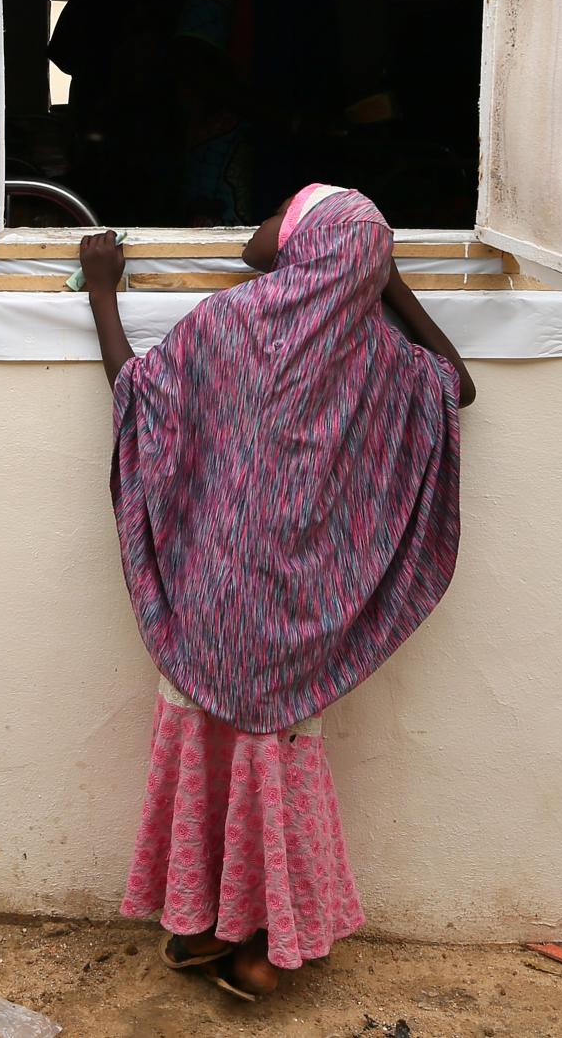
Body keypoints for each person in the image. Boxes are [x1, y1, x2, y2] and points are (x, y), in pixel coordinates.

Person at [79, 184, 473, 1002]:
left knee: (198, 748)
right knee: (279, 766)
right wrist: (383, 282)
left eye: (279, 210)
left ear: (303, 239)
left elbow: (137, 391)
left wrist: (103, 286)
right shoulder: (380, 357)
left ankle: (193, 921)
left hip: (212, 598)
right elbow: (456, 386)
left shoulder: (231, 322)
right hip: (304, 619)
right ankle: (263, 944)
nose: (257, 225)